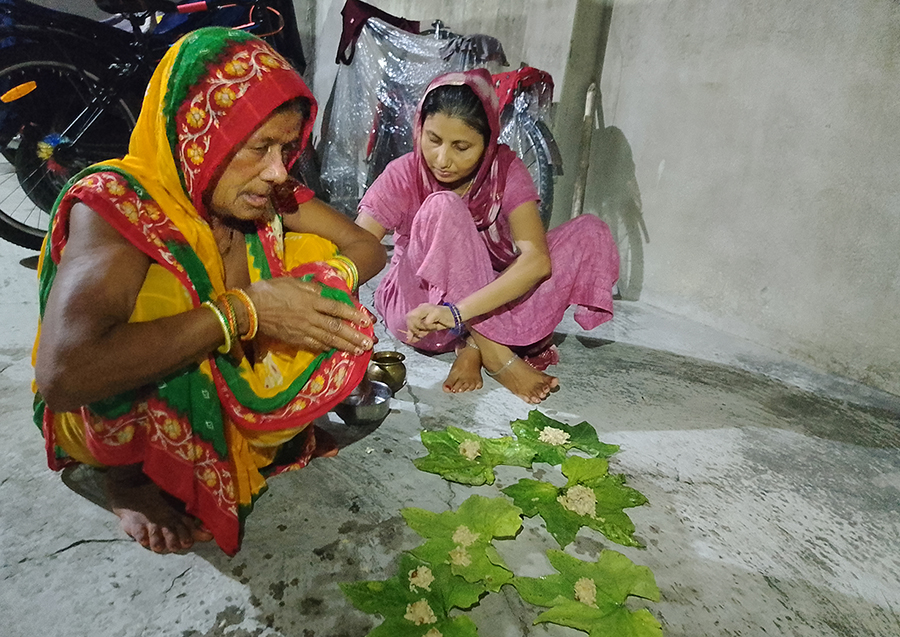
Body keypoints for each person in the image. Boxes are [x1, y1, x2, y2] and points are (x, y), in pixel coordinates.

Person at [31, 27, 387, 556]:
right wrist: (245, 311)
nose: (276, 171)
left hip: (222, 372)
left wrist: (309, 291)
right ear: (200, 137)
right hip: (111, 406)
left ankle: (236, 424)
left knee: (317, 266)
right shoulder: (117, 209)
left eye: (286, 148)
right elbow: (65, 375)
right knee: (171, 295)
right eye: (259, 147)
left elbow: (366, 247)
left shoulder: (263, 192)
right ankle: (126, 478)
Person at [355, 69, 619, 404]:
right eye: (433, 139)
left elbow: (535, 260)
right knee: (443, 207)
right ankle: (497, 356)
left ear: (488, 142)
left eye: (461, 146)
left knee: (588, 231)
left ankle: (475, 344)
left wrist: (457, 313)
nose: (442, 159)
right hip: (421, 306)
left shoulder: (505, 170)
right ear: (420, 128)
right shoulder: (404, 173)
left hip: (467, 307)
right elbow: (358, 245)